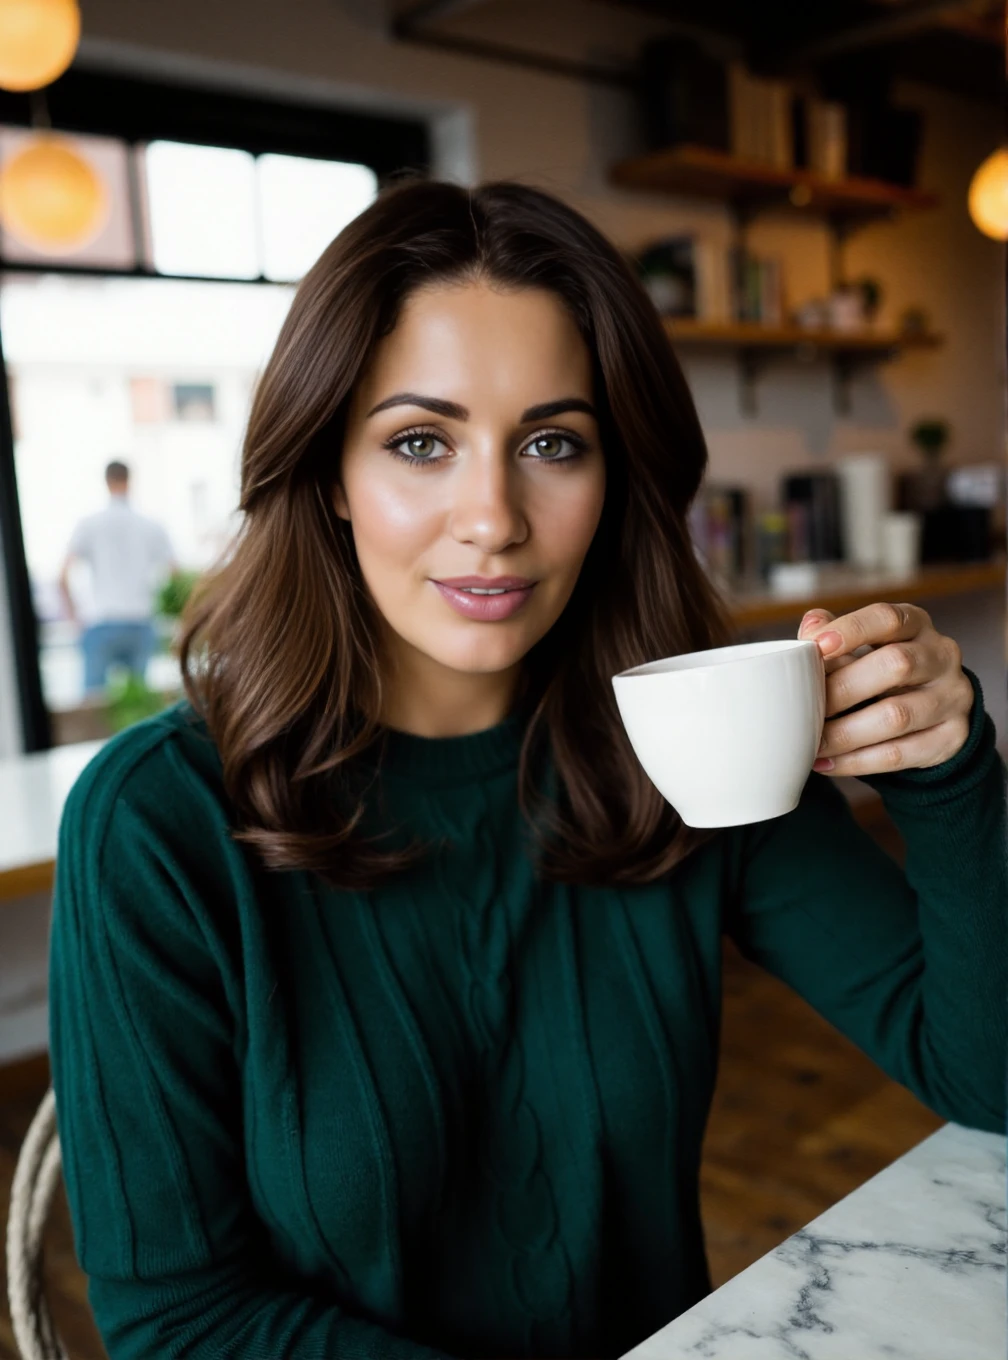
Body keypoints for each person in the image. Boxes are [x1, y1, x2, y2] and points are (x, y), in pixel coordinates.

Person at [48, 179, 1006, 1360]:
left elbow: (991, 1078)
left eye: (554, 443)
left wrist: (948, 773)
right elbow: (178, 1320)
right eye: (419, 441)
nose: (493, 514)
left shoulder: (690, 746)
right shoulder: (155, 822)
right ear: (331, 477)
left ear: (615, 484)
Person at [58, 459, 178, 695]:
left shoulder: (89, 524)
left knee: (92, 707)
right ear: (129, 481)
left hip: (101, 620)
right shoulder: (151, 525)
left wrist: (75, 618)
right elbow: (175, 574)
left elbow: (62, 576)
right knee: (137, 705)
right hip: (141, 621)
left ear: (106, 481)